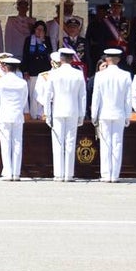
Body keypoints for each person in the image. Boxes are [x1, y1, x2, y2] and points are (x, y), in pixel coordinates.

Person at [42, 48, 86, 182]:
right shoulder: (78, 74)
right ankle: (68, 174)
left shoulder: (54, 74)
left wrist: (47, 114)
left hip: (58, 111)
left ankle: (58, 174)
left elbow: (47, 95)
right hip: (73, 111)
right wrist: (81, 115)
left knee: (58, 143)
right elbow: (82, 96)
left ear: (60, 59)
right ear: (72, 59)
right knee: (70, 143)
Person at [90, 48, 132, 182]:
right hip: (119, 113)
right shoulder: (125, 75)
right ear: (118, 59)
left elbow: (96, 98)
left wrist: (94, 115)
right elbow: (128, 99)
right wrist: (127, 115)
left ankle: (106, 174)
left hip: (104, 113)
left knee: (105, 143)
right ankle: (115, 175)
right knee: (117, 143)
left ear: (107, 59)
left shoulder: (100, 75)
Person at [0, 57, 29, 181]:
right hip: (17, 115)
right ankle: (16, 173)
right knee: (17, 143)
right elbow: (24, 100)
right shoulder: (22, 82)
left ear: (5, 67)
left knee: (6, 144)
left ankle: (8, 172)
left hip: (4, 115)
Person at [90, 0, 129, 65]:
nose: (116, 9)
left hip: (123, 51)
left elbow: (131, 39)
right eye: (114, 7)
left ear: (122, 9)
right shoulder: (104, 21)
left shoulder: (127, 21)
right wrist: (102, 53)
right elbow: (101, 39)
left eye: (118, 7)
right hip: (109, 50)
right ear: (110, 9)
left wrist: (130, 54)